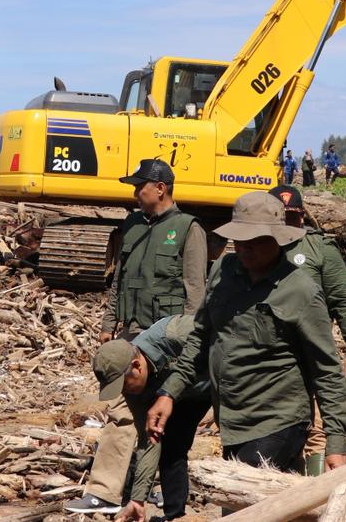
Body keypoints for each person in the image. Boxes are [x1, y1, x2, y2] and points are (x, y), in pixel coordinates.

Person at [148, 191, 346, 473]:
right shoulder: (223, 272)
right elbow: (201, 338)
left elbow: (326, 370)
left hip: (277, 420)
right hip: (232, 421)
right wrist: (168, 393)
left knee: (243, 503)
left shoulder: (300, 291)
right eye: (239, 240)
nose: (244, 248)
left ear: (278, 239)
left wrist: (336, 443)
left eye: (255, 241)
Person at [73, 160, 208, 516]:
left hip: (170, 343)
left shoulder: (187, 229)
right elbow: (118, 281)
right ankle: (105, 490)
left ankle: (157, 491)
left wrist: (192, 343)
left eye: (140, 186)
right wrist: (108, 322)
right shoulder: (132, 225)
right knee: (121, 411)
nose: (135, 193)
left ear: (161, 187)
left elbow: (195, 290)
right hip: (132, 337)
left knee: (165, 418)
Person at [268, 185, 346, 474]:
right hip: (273, 354)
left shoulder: (318, 248)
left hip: (313, 348)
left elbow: (344, 301)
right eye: (280, 216)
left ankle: (314, 491)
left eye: (293, 216)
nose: (287, 222)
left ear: (301, 215)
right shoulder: (261, 248)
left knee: (320, 427)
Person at [90, 316, 212, 522]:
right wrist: (138, 499)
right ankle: (175, 515)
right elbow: (149, 440)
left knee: (238, 441)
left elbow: (231, 342)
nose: (125, 392)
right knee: (171, 446)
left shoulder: (176, 334)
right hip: (182, 395)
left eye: (125, 385)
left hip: (222, 381)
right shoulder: (134, 389)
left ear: (137, 366)